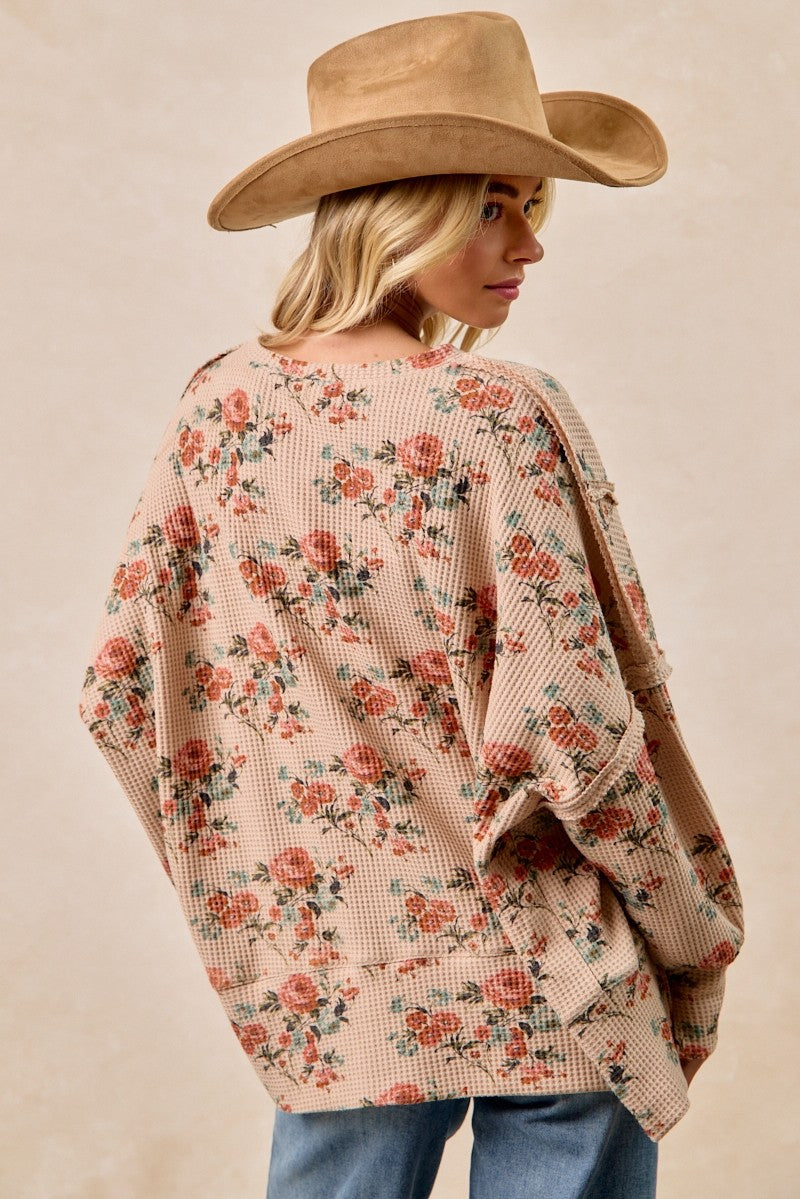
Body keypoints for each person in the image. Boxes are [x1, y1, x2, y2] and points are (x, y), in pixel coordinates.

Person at [78, 12, 744, 1198]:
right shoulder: (496, 414)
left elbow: (124, 695)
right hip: (547, 958)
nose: (528, 243)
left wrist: (274, 897)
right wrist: (687, 924)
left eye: (529, 206)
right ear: (397, 211)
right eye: (491, 206)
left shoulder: (214, 409)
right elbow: (577, 724)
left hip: (336, 974)